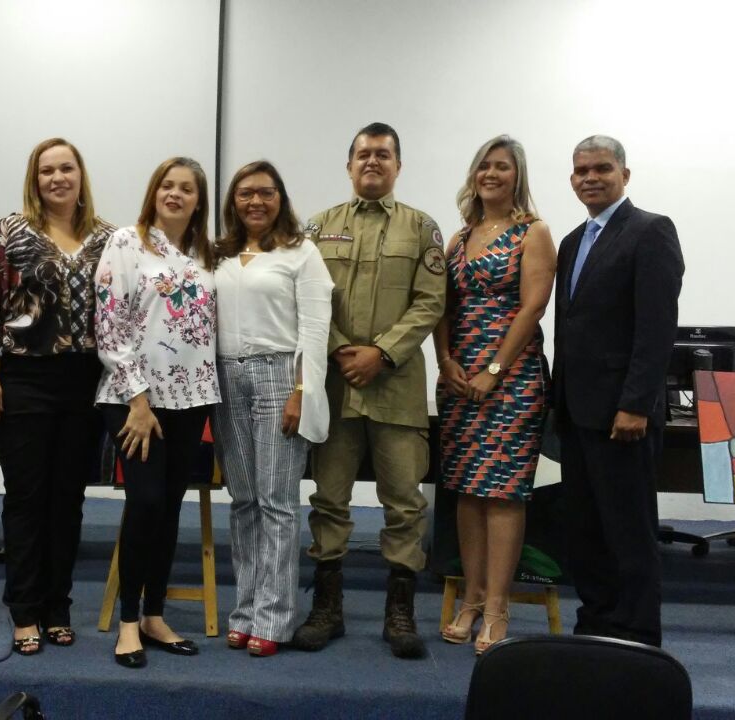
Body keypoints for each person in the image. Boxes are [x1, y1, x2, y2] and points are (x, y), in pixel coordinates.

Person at [293, 123, 448, 659]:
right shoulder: (317, 227)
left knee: (405, 503)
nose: (372, 162)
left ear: (398, 165)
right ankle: (327, 608)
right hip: (335, 388)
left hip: (396, 387)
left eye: (383, 155)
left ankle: (400, 613)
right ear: (349, 163)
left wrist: (380, 352)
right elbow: (306, 299)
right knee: (328, 498)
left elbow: (431, 302)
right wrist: (341, 350)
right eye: (363, 154)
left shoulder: (422, 229)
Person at [0, 138, 114, 655]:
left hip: (86, 383)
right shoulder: (9, 232)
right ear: (35, 179)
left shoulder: (108, 238)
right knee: (27, 498)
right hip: (23, 379)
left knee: (68, 500)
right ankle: (24, 610)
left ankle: (58, 606)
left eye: (66, 168)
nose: (57, 178)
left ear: (80, 175)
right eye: (46, 170)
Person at [554, 135, 683, 647]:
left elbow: (656, 330)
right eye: (581, 170)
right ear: (571, 180)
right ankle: (598, 620)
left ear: (624, 175)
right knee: (585, 529)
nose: (591, 177)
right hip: (577, 410)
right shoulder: (570, 242)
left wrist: (635, 405)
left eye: (602, 168)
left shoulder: (650, 231)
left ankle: (636, 634)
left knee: (628, 531)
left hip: (621, 416)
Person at [432, 135, 556, 654]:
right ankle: (471, 600)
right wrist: (445, 361)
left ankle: (499, 608)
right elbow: (439, 303)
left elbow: (532, 307)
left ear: (516, 175)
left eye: (502, 167)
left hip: (513, 379)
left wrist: (496, 370)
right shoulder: (459, 238)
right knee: (465, 488)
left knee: (502, 490)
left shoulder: (533, 232)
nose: (491, 174)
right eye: (484, 166)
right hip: (460, 378)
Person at [95, 157, 218, 669]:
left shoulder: (207, 254)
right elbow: (109, 324)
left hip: (191, 399)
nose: (175, 194)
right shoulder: (128, 242)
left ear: (198, 200)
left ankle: (155, 614)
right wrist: (138, 401)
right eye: (167, 185)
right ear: (154, 191)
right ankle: (127, 623)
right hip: (134, 401)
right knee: (144, 503)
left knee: (169, 507)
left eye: (186, 188)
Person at [211, 161, 333, 657]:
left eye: (265, 192)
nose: (255, 202)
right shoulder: (217, 254)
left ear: (280, 197)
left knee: (277, 503)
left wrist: (302, 390)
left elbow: (315, 328)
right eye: (245, 194)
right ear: (232, 202)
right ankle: (244, 609)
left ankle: (275, 617)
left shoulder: (301, 253)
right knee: (242, 500)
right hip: (226, 377)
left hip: (279, 375)